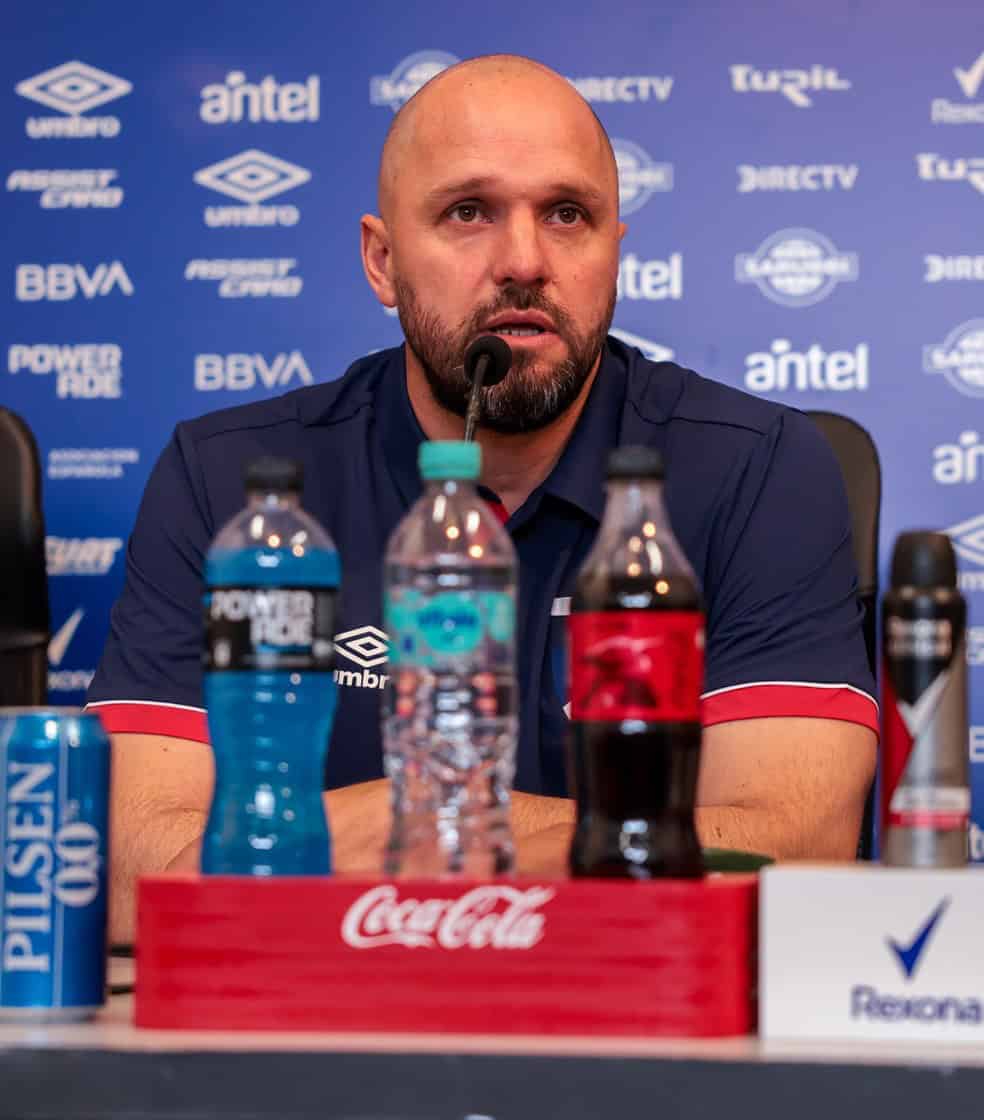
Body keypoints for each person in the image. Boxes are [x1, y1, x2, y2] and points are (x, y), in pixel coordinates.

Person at [87, 54, 877, 943]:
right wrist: (606, 847)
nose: (524, 261)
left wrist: (416, 825)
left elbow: (797, 855)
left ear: (615, 255)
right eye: (469, 213)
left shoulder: (754, 468)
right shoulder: (234, 484)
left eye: (567, 215)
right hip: (322, 1034)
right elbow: (126, 876)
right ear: (383, 262)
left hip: (642, 1036)